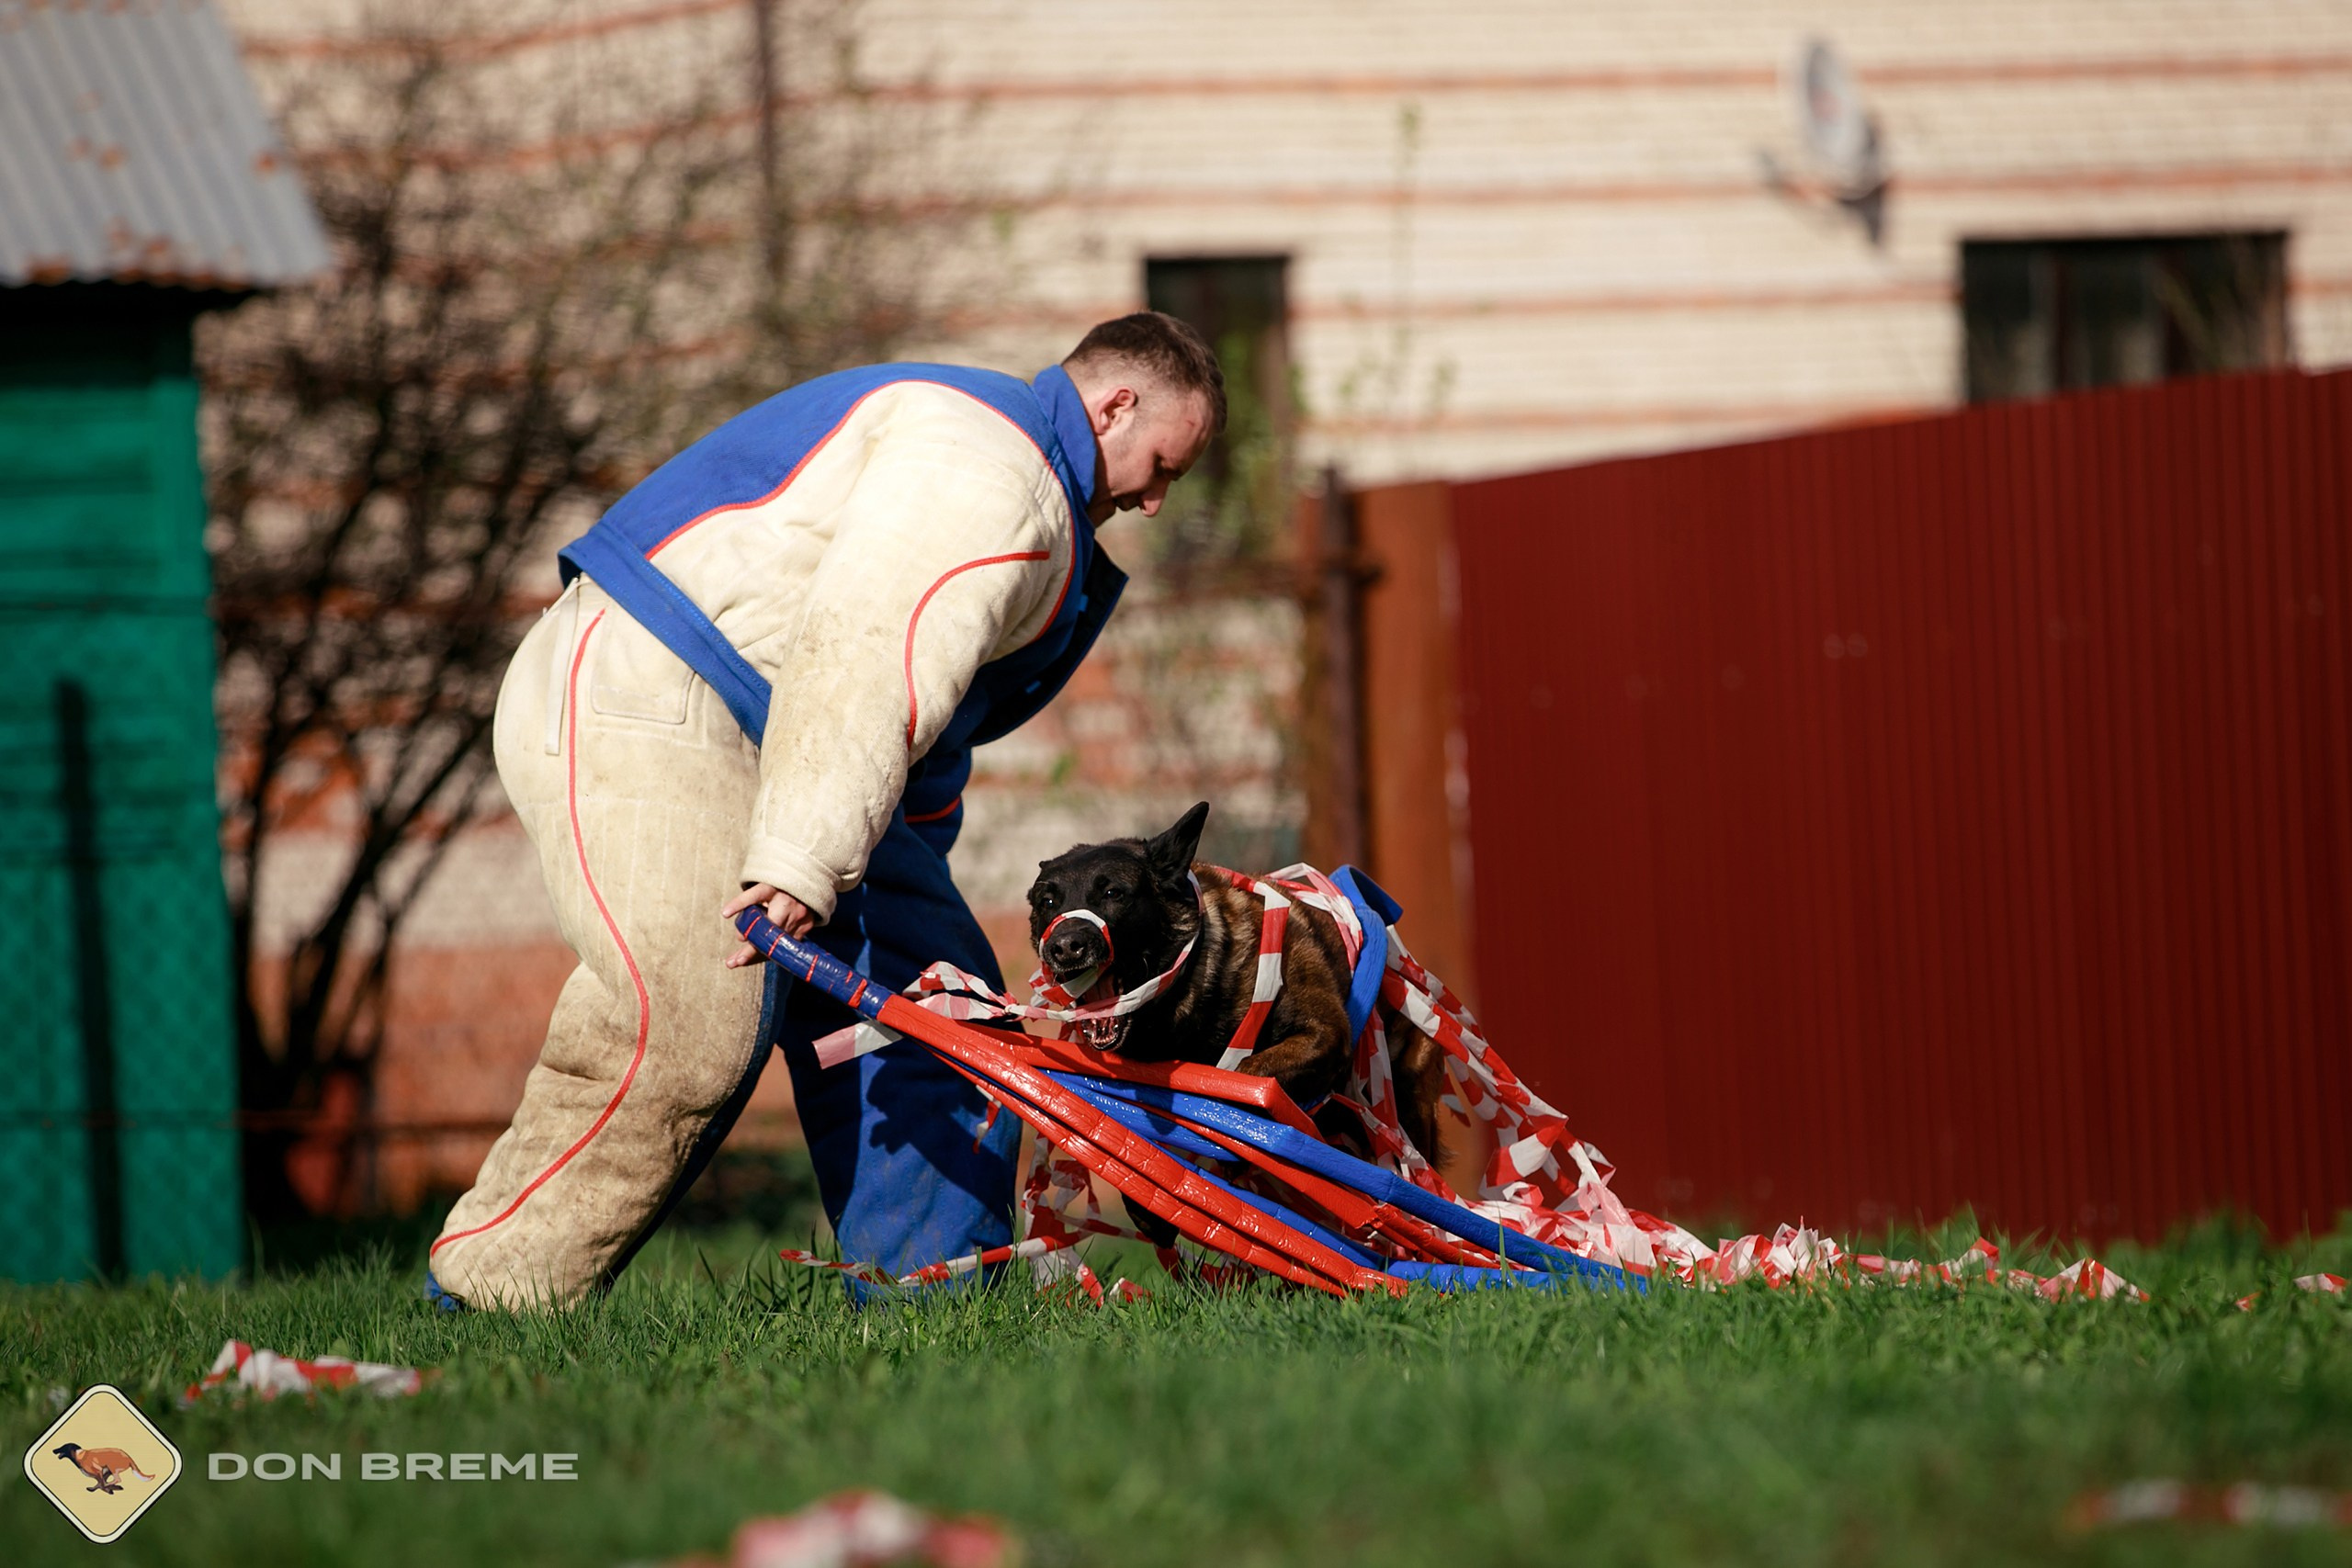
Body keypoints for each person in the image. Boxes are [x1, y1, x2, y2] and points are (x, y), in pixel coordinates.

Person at [425, 313, 1224, 1308]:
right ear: (1113, 405)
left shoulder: (1023, 485)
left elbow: (924, 727)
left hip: (780, 736)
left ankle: (929, 1308)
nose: (1152, 501)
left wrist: (880, 870)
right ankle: (489, 1300)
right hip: (654, 685)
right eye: (1160, 465)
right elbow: (867, 648)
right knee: (689, 1024)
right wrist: (805, 859)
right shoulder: (994, 469)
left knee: (942, 1012)